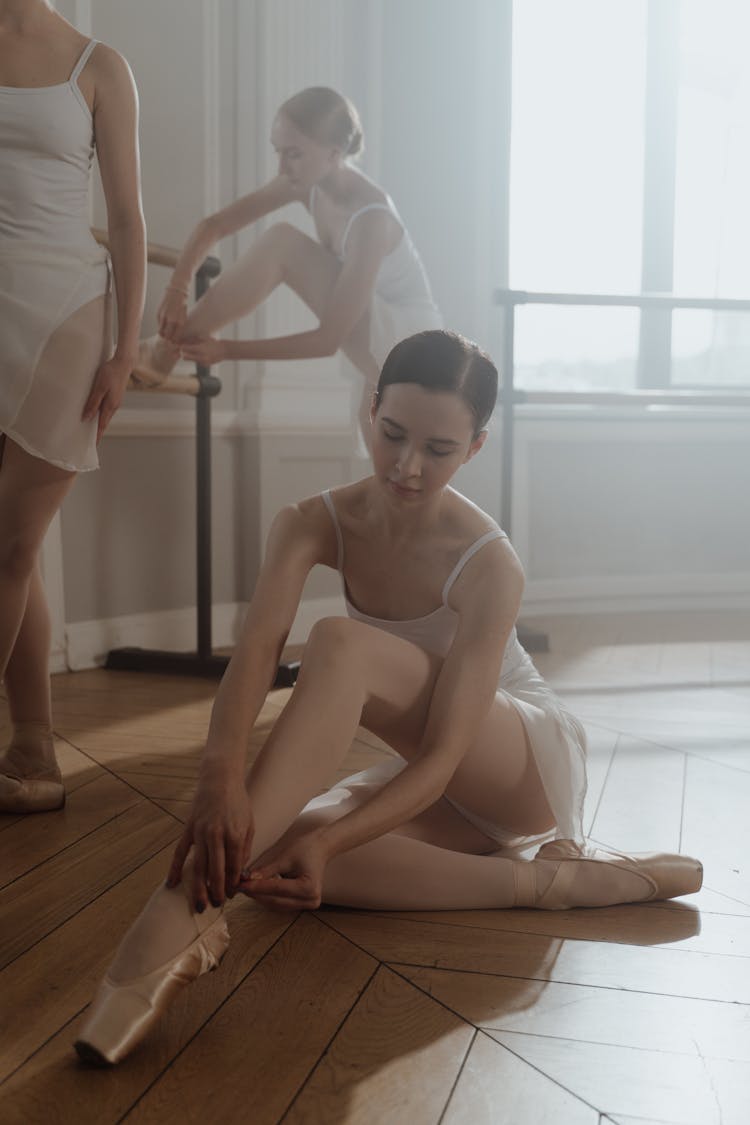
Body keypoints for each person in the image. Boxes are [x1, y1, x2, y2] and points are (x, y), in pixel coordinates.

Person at [75, 329, 702, 1066]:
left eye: (437, 450)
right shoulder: (309, 523)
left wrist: (333, 832)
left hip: (518, 762)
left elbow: (441, 756)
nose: (406, 466)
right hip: (434, 785)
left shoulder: (489, 562)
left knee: (337, 642)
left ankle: (172, 918)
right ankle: (550, 882)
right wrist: (220, 779)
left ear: (474, 448)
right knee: (283, 855)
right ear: (369, 411)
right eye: (392, 434)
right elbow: (254, 653)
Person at [0, 0, 146, 813]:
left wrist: (126, 350)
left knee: (8, 545)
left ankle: (27, 744)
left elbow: (126, 219)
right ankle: (33, 746)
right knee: (13, 554)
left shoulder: (99, 65)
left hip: (62, 317)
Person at [134, 85, 442, 442]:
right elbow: (214, 226)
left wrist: (227, 351)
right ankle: (162, 349)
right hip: (379, 346)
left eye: (293, 154)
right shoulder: (304, 182)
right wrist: (178, 287)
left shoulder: (371, 218)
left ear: (334, 153)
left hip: (415, 352)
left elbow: (328, 340)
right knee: (394, 490)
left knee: (284, 243)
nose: (281, 166)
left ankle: (161, 351)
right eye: (278, 151)